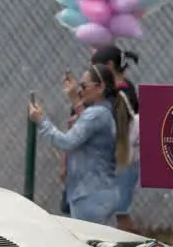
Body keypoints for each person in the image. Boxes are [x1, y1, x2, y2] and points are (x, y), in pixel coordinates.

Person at [30, 65, 133, 225]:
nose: (80, 91)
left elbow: (66, 142)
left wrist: (41, 120)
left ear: (100, 87)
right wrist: (74, 98)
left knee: (88, 245)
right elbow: (86, 125)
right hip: (103, 194)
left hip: (90, 196)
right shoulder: (103, 112)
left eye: (84, 86)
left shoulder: (96, 114)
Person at [75, 46, 142, 232]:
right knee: (116, 212)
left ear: (109, 66)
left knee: (120, 212)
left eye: (95, 68)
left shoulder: (122, 93)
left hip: (123, 158)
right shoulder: (118, 90)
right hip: (117, 158)